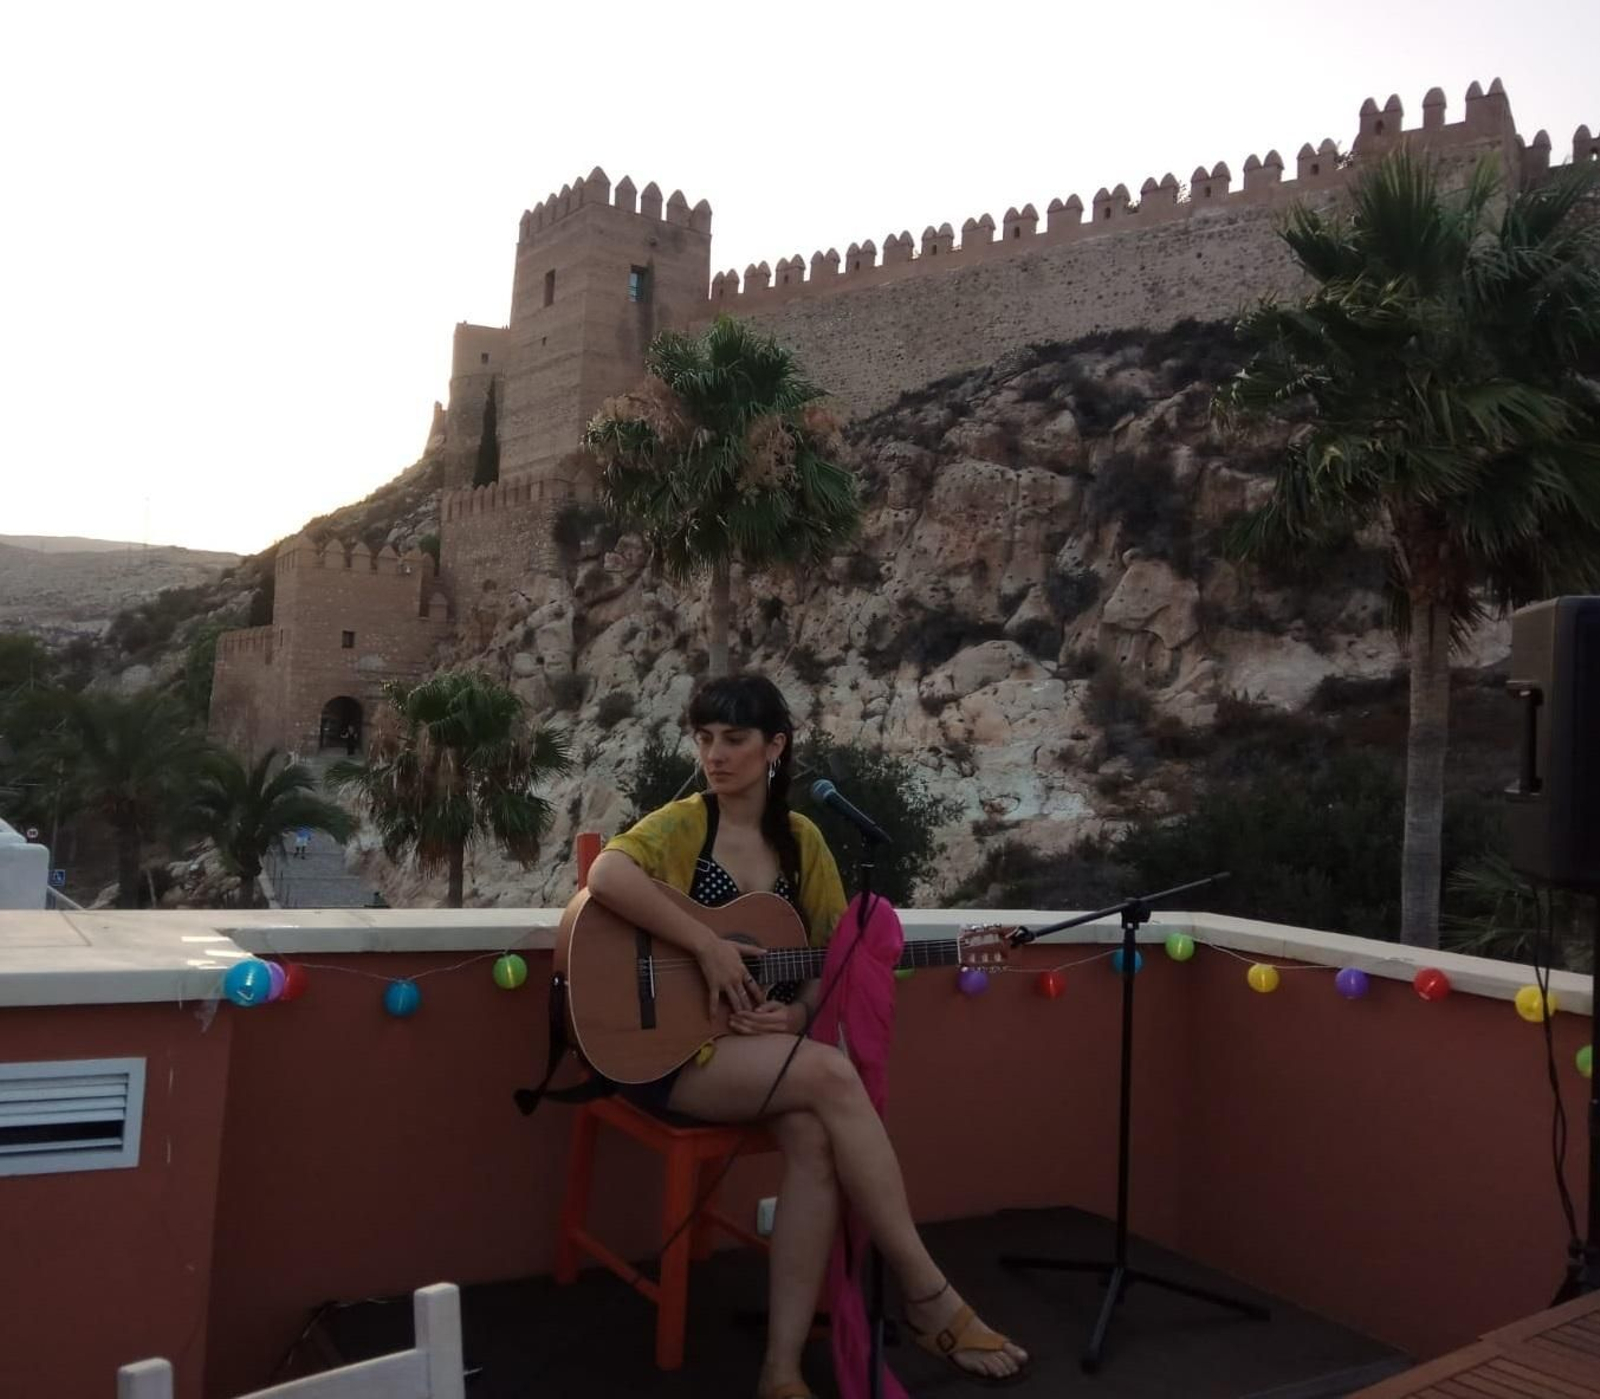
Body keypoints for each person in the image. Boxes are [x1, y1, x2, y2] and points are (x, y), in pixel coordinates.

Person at [586, 673, 1028, 1399]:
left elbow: (832, 960)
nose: (716, 755)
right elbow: (606, 873)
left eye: (734, 739)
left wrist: (796, 1015)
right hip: (666, 1054)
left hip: (760, 1052)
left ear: (775, 747)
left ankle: (781, 1368)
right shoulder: (682, 826)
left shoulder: (802, 844)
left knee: (816, 1136)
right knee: (830, 1075)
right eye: (705, 738)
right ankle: (927, 1292)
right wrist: (706, 944)